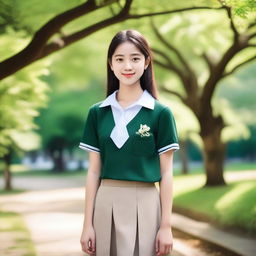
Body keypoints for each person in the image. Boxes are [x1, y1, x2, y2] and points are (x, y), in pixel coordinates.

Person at [79, 29, 179, 256]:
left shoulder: (160, 113)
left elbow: (167, 173)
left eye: (135, 58)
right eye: (120, 59)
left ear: (146, 62)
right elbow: (94, 172)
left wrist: (166, 226)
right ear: (110, 64)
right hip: (105, 204)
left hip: (146, 203)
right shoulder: (97, 113)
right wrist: (87, 225)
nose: (127, 66)